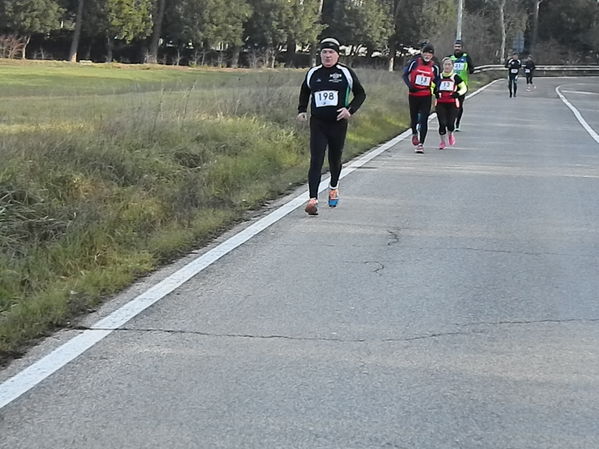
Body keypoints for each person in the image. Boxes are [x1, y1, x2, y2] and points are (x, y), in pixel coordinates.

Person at [297, 38, 366, 216]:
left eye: (331, 52)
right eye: (324, 52)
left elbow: (360, 93)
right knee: (316, 159)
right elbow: (305, 90)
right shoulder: (313, 73)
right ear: (320, 55)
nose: (327, 55)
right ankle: (312, 199)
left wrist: (350, 110)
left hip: (338, 123)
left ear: (337, 55)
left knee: (335, 159)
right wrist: (302, 109)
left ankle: (333, 186)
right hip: (318, 122)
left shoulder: (345, 72)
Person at [403, 43, 440, 153]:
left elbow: (437, 81)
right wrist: (410, 86)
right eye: (425, 52)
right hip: (413, 95)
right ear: (422, 53)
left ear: (432, 55)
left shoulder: (435, 67)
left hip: (426, 96)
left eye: (430, 53)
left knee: (424, 120)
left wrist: (437, 92)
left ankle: (421, 144)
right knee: (414, 118)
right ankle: (414, 132)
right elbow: (405, 75)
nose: (427, 55)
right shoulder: (414, 63)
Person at [434, 58, 468, 150]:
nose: (447, 66)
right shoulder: (439, 77)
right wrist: (435, 93)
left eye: (449, 64)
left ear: (452, 66)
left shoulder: (455, 77)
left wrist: (457, 94)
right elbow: (431, 86)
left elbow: (464, 88)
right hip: (440, 103)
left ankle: (450, 134)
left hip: (453, 103)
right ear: (443, 66)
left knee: (450, 124)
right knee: (442, 123)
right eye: (445, 64)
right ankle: (442, 141)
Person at [449, 39, 475, 131]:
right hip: (450, 85)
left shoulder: (466, 57)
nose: (457, 49)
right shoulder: (450, 58)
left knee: (459, 105)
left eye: (459, 47)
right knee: (449, 104)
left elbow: (472, 68)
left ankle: (457, 123)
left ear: (462, 48)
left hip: (462, 85)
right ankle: (450, 121)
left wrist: (471, 69)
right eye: (456, 47)